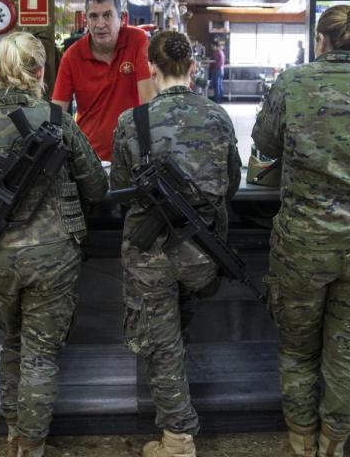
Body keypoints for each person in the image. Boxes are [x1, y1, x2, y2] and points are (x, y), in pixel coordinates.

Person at [252, 5, 350, 457]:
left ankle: (301, 440)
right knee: (348, 352)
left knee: (298, 350)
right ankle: (333, 444)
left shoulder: (293, 82)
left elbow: (265, 140)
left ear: (322, 39)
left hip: (303, 244)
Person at [0, 32, 107, 457]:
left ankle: (14, 434)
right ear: (39, 72)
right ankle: (31, 449)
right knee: (40, 355)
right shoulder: (56, 120)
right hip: (53, 257)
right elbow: (96, 186)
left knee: (13, 344)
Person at [111, 31, 241, 457]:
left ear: (151, 68)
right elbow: (232, 183)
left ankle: (178, 439)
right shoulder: (219, 117)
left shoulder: (133, 121)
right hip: (201, 255)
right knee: (176, 337)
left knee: (163, 346)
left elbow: (118, 190)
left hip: (151, 259)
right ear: (193, 69)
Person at [52, 0, 156, 160]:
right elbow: (57, 114)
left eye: (107, 15)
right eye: (94, 16)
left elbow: (148, 103)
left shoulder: (137, 40)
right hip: (89, 159)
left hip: (133, 155)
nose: (100, 24)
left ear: (122, 18)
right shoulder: (72, 56)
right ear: (86, 20)